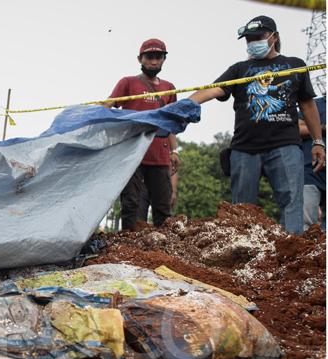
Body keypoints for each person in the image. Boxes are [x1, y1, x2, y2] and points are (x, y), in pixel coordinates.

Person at [189, 15, 326, 235]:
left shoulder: (294, 65)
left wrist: (318, 141)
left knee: (293, 204)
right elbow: (213, 89)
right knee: (241, 210)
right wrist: (186, 104)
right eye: (249, 39)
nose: (253, 42)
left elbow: (308, 106)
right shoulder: (239, 69)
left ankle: (291, 254)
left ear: (274, 37)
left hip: (285, 146)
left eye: (258, 37)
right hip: (245, 149)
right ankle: (241, 255)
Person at [104, 38, 180, 231]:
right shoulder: (128, 83)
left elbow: (169, 123)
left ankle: (163, 249)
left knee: (163, 207)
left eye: (158, 57)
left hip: (160, 156)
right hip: (133, 155)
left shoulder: (169, 88)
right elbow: (107, 107)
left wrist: (175, 151)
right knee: (131, 205)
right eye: (149, 57)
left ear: (164, 59)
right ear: (140, 58)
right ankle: (130, 248)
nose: (154, 62)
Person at [299, 96, 326, 230]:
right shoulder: (315, 104)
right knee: (305, 224)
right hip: (312, 173)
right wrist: (323, 128)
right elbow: (296, 128)